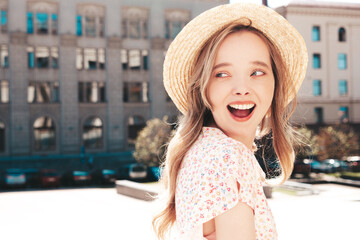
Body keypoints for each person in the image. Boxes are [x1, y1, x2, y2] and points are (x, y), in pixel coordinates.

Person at [152, 3, 308, 240]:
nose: (242, 89)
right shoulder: (228, 157)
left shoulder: (201, 150)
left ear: (275, 84)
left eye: (257, 72)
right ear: (203, 87)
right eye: (222, 74)